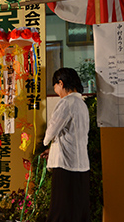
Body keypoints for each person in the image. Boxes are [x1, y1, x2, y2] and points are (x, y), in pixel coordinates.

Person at [41, 67, 91, 222]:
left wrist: (46, 142)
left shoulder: (66, 103)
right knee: (77, 210)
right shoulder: (82, 104)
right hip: (81, 165)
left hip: (65, 164)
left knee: (60, 210)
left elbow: (51, 131)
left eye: (55, 86)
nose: (56, 90)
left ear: (60, 83)